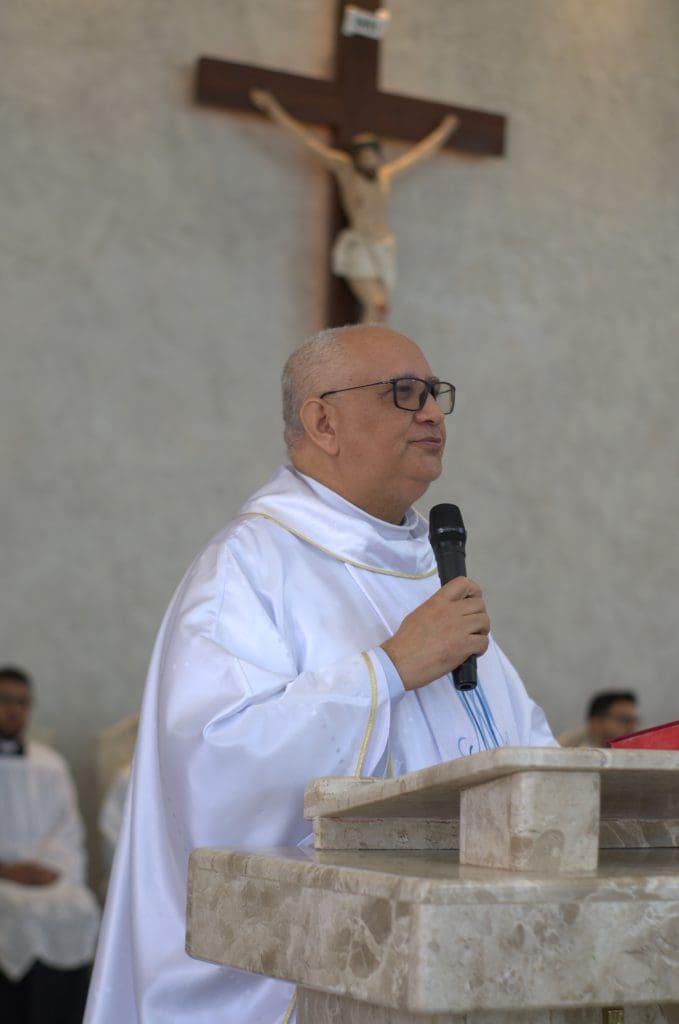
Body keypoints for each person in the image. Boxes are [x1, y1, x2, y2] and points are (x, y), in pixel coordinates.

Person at [85, 324, 556, 1024]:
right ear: (322, 421)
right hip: (311, 973)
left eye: (435, 393)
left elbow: (521, 745)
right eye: (404, 393)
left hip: (461, 955)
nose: (432, 413)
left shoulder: (427, 568)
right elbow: (216, 761)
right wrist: (389, 668)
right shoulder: (249, 566)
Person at [250, 89, 458, 322]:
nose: (367, 158)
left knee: (383, 309)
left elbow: (420, 155)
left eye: (371, 153)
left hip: (383, 246)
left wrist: (445, 130)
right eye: (362, 154)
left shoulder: (384, 176)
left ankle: (372, 343)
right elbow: (307, 142)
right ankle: (361, 345)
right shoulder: (346, 171)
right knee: (376, 304)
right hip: (361, 244)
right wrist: (272, 108)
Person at [0, 666, 101, 1024]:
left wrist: (46, 870)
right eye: (5, 700)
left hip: (46, 875)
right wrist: (8, 870)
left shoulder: (50, 765)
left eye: (23, 703)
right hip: (4, 878)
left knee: (80, 908)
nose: (14, 710)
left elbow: (68, 831)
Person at [558, 690, 639, 748]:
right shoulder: (565, 749)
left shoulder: (638, 750)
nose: (631, 727)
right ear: (595, 723)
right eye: (623, 720)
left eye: (634, 721)